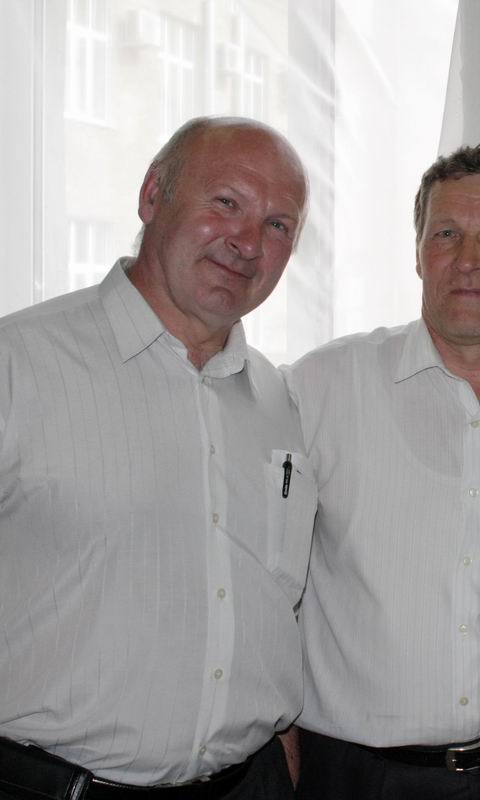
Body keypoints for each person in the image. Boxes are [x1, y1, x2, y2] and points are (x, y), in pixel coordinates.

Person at [0, 117, 314, 797]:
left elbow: (273, 603)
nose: (246, 242)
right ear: (151, 196)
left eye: (277, 225)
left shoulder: (280, 402)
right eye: (225, 202)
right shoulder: (17, 363)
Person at [285, 143, 480, 799]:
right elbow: (264, 591)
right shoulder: (320, 390)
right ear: (419, 251)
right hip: (352, 778)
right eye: (446, 234)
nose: (468, 259)